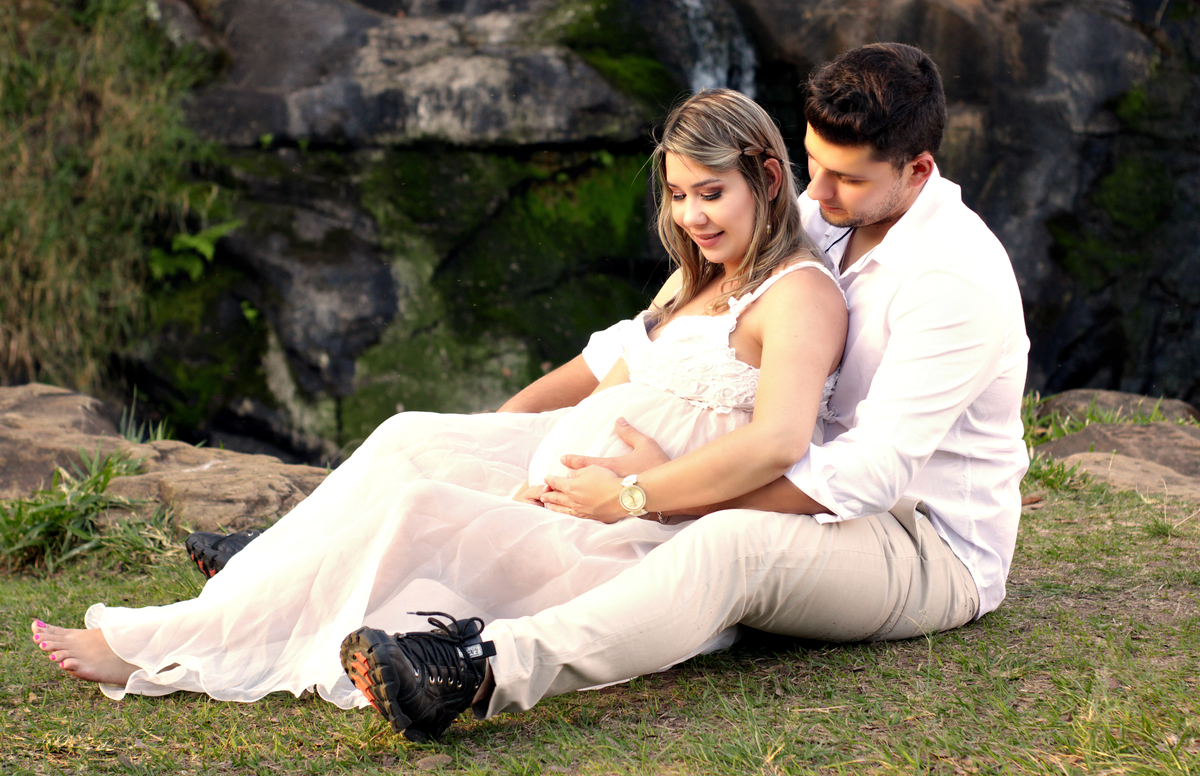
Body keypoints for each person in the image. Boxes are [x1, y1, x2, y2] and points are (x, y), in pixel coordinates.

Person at [30, 89, 849, 741]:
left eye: (711, 193)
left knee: (419, 508)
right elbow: (618, 378)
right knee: (409, 436)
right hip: (577, 487)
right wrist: (517, 446)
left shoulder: (798, 297)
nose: (693, 215)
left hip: (637, 529)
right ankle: (260, 581)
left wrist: (633, 491)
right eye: (677, 195)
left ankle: (165, 643)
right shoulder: (698, 275)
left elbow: (776, 443)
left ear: (768, 179)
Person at [339, 42, 1029, 740]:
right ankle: (330, 583)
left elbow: (865, 477)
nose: (815, 195)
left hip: (919, 542)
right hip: (790, 481)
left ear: (918, 170)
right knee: (461, 449)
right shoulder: (830, 214)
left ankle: (477, 668)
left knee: (731, 545)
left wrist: (650, 494)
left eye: (845, 178)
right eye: (812, 164)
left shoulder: (954, 279)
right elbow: (671, 329)